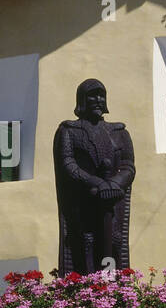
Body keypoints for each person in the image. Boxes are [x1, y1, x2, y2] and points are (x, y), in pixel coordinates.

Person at [53, 79, 135, 275]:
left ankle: (110, 284)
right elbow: (67, 163)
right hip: (84, 199)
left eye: (101, 95)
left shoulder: (119, 132)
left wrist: (114, 184)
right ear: (82, 99)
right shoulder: (69, 130)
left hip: (111, 199)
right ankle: (88, 285)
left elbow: (128, 165)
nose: (98, 100)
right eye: (92, 95)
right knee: (84, 241)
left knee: (113, 241)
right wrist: (96, 182)